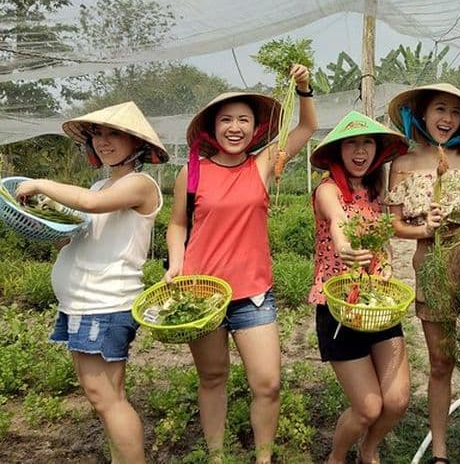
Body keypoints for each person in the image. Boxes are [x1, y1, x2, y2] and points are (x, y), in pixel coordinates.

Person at [164, 65, 317, 463]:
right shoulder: (191, 171)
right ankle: (217, 457)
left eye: (243, 120)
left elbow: (305, 128)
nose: (235, 127)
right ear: (212, 128)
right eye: (226, 120)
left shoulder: (262, 164)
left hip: (253, 294)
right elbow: (178, 224)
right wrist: (175, 264)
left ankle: (263, 458)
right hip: (201, 295)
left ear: (255, 128)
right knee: (213, 377)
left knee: (267, 383)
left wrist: (303, 88)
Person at [15, 101, 168, 464]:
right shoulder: (103, 183)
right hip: (87, 304)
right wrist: (54, 230)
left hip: (103, 304)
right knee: (109, 396)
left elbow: (90, 204)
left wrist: (39, 183)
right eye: (97, 134)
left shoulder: (140, 185)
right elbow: (84, 231)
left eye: (114, 133)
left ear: (137, 143)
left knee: (105, 399)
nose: (104, 141)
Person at [386, 83, 460, 464]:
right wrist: (424, 230)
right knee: (440, 361)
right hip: (430, 265)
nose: (447, 119)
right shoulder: (403, 163)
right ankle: (441, 453)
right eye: (440, 110)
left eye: (454, 113)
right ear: (422, 114)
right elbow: (395, 224)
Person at [308, 110, 411, 464]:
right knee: (367, 407)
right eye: (351, 143)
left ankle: (369, 448)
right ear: (338, 151)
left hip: (379, 304)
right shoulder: (328, 189)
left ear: (376, 150)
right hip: (338, 307)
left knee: (396, 400)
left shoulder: (377, 191)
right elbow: (337, 219)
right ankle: (337, 456)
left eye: (367, 142)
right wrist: (344, 246)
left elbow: (402, 224)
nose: (360, 150)